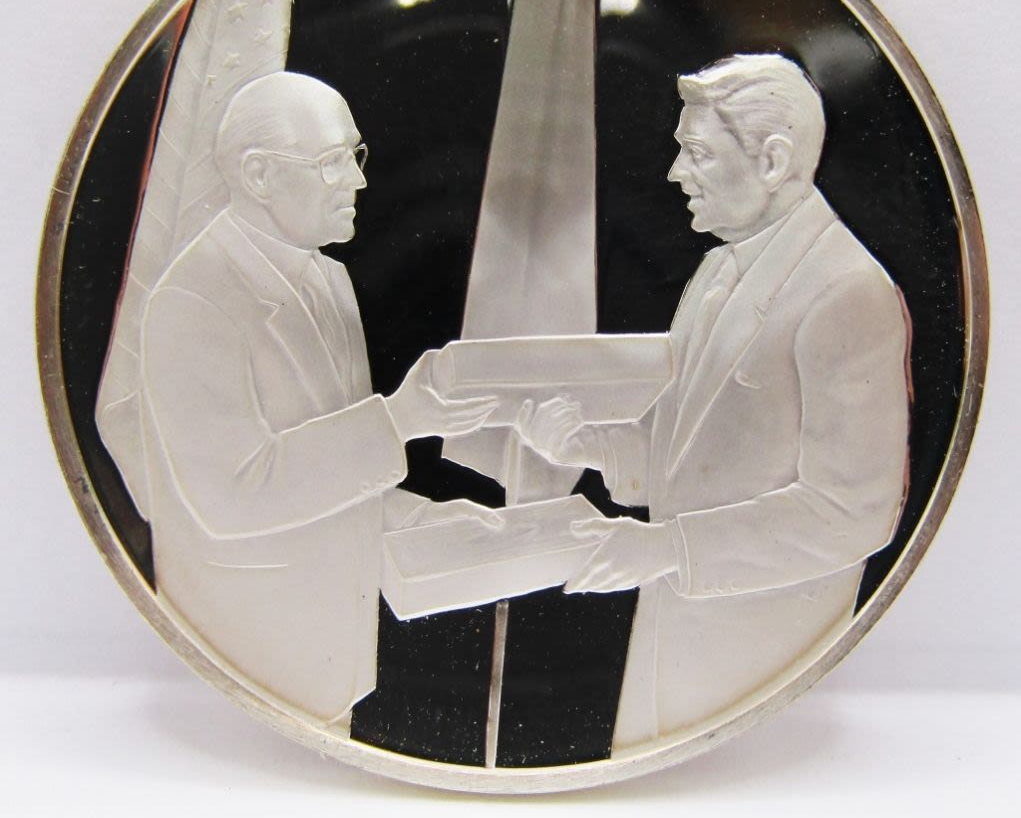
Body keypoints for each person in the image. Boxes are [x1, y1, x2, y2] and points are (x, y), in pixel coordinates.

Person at [515, 54, 910, 752]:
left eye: (696, 153)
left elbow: (849, 513)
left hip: (763, 649)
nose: (675, 173)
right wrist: (588, 446)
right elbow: (688, 440)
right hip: (677, 627)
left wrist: (668, 546)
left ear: (772, 160)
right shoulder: (720, 265)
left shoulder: (848, 294)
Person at [135, 71, 496, 727]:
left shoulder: (329, 279)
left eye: (355, 155)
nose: (357, 180)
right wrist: (398, 420)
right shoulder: (192, 301)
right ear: (259, 174)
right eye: (332, 161)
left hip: (334, 655)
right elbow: (232, 497)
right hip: (248, 663)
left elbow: (325, 471)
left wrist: (427, 521)